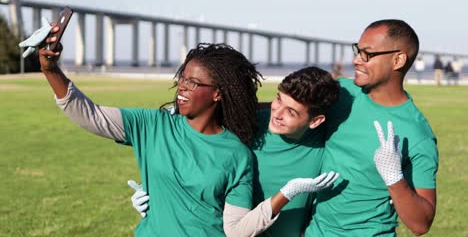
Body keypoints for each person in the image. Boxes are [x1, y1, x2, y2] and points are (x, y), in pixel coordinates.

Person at [37, 36, 266, 235]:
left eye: (193, 83)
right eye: (182, 78)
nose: (182, 87)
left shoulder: (237, 154)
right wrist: (50, 69)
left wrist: (285, 196)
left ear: (217, 93)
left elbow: (237, 228)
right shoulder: (152, 125)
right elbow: (91, 115)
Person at [130, 66, 342, 237]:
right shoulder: (244, 124)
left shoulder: (327, 142)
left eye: (291, 112)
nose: (277, 113)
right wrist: (158, 198)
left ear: (316, 121)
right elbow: (193, 154)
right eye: (278, 99)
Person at [306, 19, 439, 236]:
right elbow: (286, 109)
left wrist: (394, 177)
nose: (356, 60)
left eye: (367, 54)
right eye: (357, 51)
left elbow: (421, 225)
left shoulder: (418, 135)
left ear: (398, 60)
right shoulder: (340, 93)